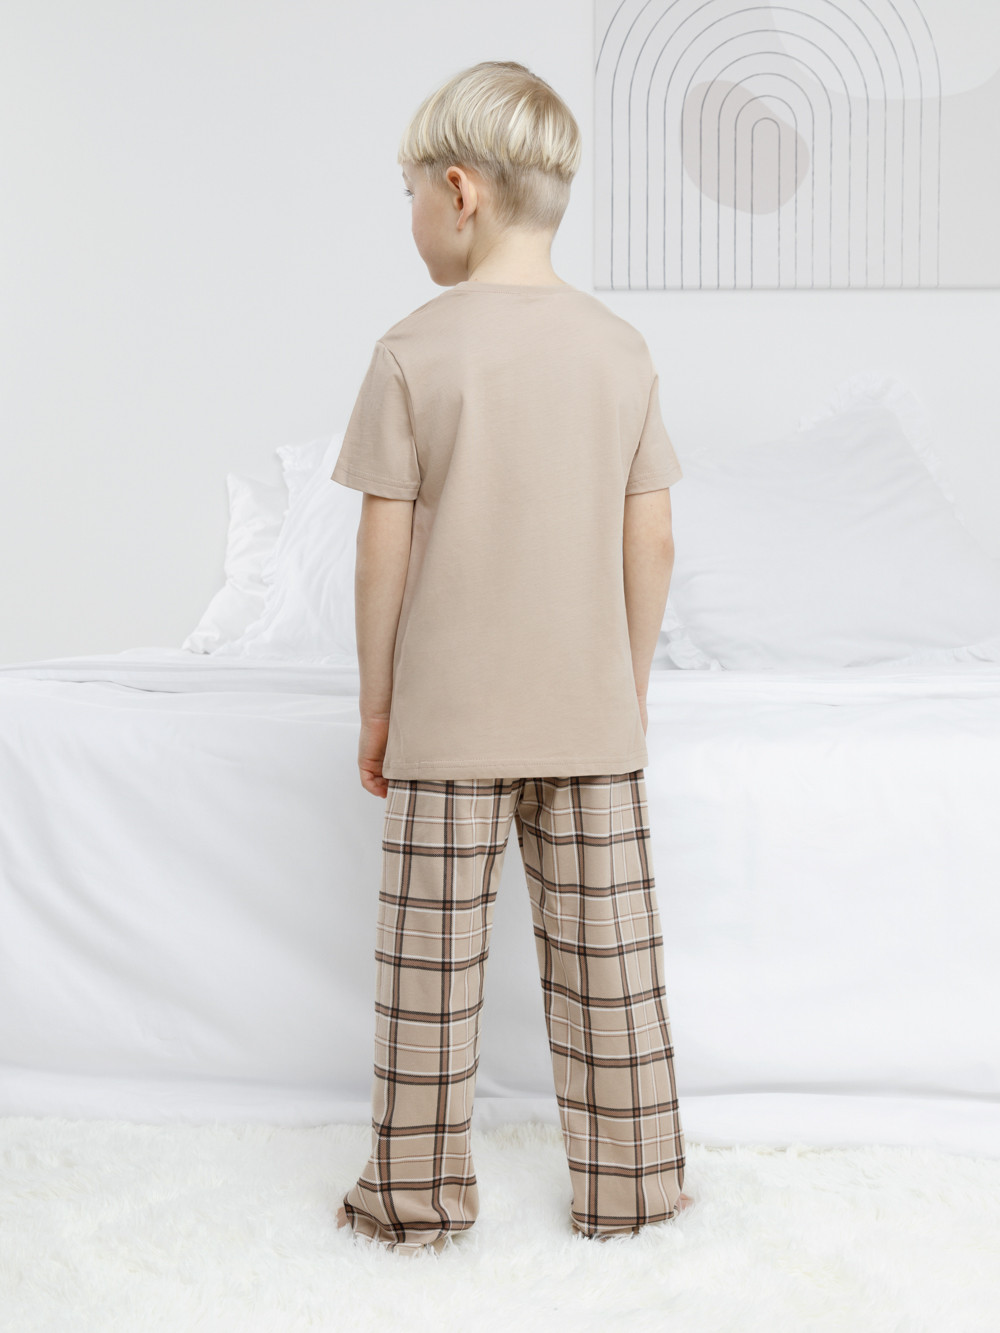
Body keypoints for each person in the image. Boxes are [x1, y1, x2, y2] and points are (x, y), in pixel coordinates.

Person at [331, 60, 691, 1255]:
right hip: (589, 718)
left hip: (448, 725)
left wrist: (378, 705)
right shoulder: (620, 349)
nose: (411, 217)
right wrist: (625, 686)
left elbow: (383, 550)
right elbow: (653, 538)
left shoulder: (411, 350)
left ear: (459, 192)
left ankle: (414, 1204)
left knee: (428, 984)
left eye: (408, 194)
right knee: (612, 975)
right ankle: (634, 1195)